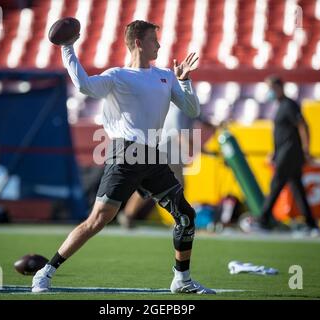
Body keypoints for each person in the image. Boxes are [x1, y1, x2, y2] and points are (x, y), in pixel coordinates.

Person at [31, 20, 214, 294]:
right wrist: (67, 48)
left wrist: (185, 80)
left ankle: (182, 280)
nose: (160, 45)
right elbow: (84, 86)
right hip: (126, 153)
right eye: (154, 40)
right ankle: (46, 272)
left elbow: (191, 109)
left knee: (186, 215)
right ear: (139, 43)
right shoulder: (118, 75)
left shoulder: (165, 75)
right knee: (97, 220)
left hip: (152, 155)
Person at [258, 76, 319, 234]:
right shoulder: (280, 106)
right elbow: (282, 132)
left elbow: (303, 126)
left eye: (271, 88)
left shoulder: (289, 105)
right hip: (283, 152)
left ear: (278, 87)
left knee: (276, 184)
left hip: (290, 153)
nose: (269, 92)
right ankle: (311, 222)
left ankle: (263, 220)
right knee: (297, 187)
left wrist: (306, 149)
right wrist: (274, 151)